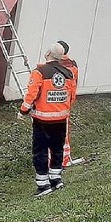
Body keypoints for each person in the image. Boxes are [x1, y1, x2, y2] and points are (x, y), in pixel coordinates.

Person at [18, 42, 77, 197]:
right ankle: (56, 179)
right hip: (61, 119)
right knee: (58, 150)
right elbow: (72, 96)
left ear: (48, 53)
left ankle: (43, 185)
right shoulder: (68, 73)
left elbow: (31, 94)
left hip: (42, 121)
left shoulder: (40, 72)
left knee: (41, 151)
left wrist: (23, 111)